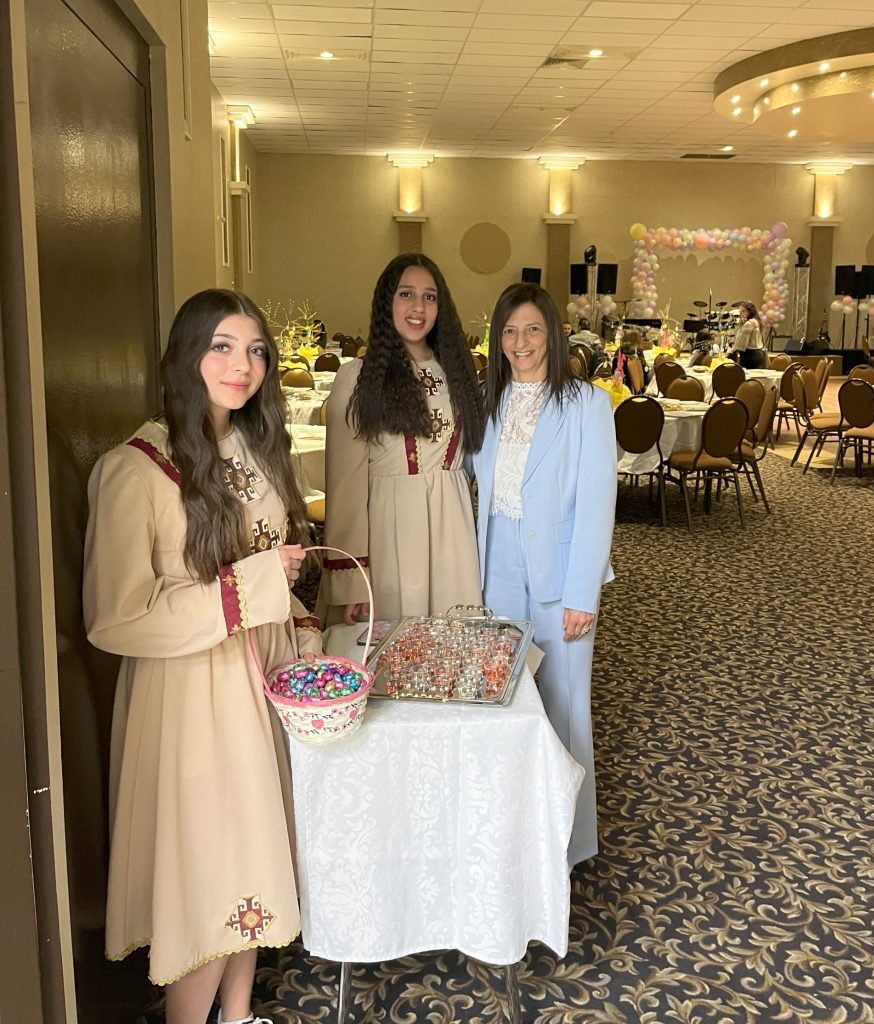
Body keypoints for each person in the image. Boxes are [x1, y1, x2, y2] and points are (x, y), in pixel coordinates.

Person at [84, 289, 322, 1024]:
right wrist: (249, 591)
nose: (241, 365)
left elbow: (267, 569)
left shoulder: (256, 450)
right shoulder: (137, 469)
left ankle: (238, 1013)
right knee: (210, 873)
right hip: (193, 695)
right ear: (186, 353)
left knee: (252, 856)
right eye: (222, 346)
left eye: (255, 351)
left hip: (257, 678)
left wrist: (301, 619)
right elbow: (116, 618)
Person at [472, 283, 618, 867]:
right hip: (497, 563)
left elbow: (597, 503)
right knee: (506, 699)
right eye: (509, 331)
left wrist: (584, 592)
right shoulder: (487, 401)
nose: (520, 342)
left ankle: (570, 844)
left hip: (561, 573)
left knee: (563, 704)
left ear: (553, 335)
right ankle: (515, 837)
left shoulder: (587, 404)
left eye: (532, 329)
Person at [323, 253, 485, 623]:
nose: (418, 308)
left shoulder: (457, 371)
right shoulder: (358, 378)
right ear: (387, 302)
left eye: (430, 297)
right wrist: (352, 581)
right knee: (394, 643)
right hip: (392, 530)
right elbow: (345, 489)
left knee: (452, 641)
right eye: (406, 294)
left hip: (453, 530)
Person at [724, 301, 765, 369]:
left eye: (743, 311)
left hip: (750, 356)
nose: (741, 314)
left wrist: (730, 351)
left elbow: (740, 343)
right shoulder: (756, 321)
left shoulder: (749, 323)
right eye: (740, 311)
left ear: (750, 311)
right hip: (758, 354)